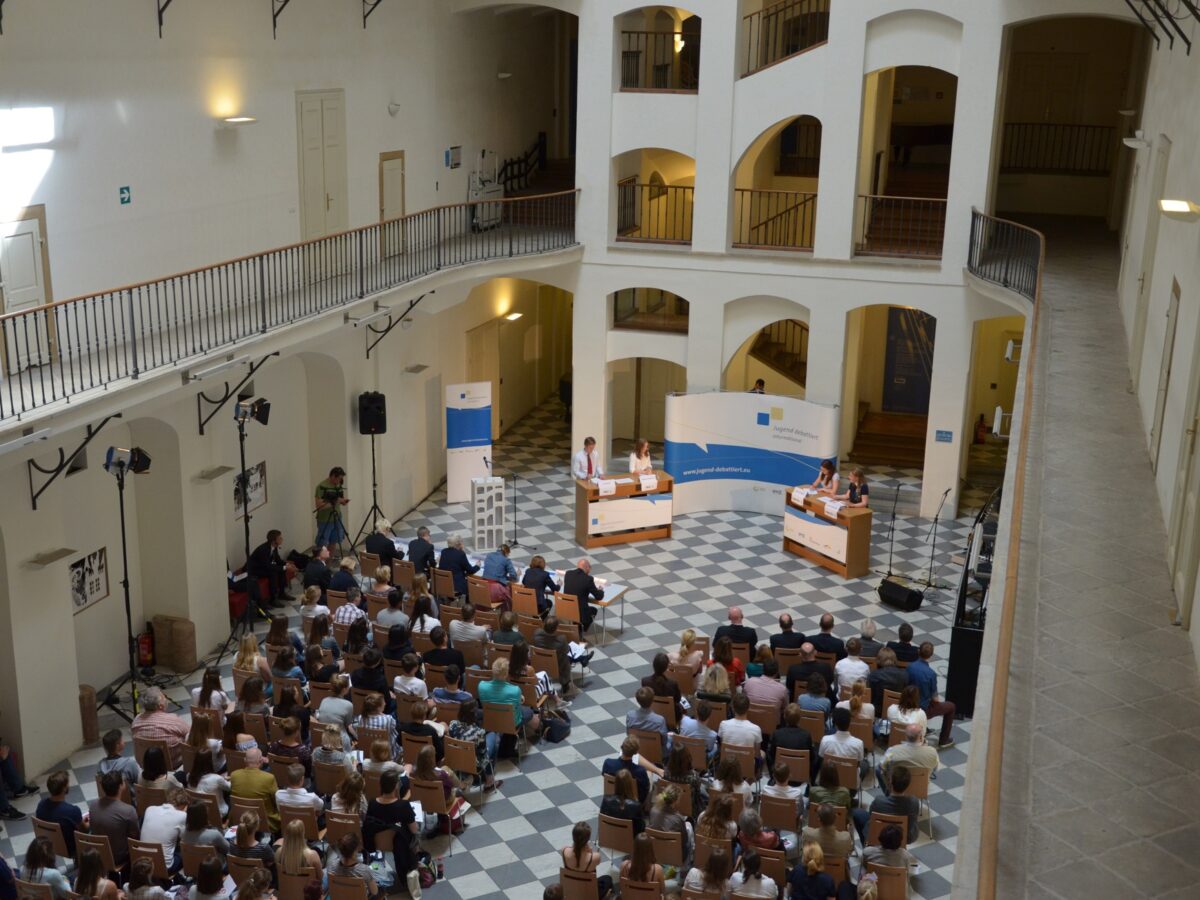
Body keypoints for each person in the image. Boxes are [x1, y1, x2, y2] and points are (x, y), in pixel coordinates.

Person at [363, 771, 420, 896]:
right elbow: (414, 830)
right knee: (416, 833)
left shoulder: (372, 804)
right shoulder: (404, 806)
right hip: (399, 845)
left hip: (377, 843)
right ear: (396, 786)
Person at [478, 658, 540, 744]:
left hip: (490, 721)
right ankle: (539, 728)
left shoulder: (481, 686)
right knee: (529, 711)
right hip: (511, 724)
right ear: (506, 673)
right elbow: (517, 707)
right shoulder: (515, 690)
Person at [909, 641, 957, 749]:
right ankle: (944, 740)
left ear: (918, 651)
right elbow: (936, 700)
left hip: (909, 703)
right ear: (931, 655)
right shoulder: (931, 674)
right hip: (922, 709)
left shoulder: (910, 667)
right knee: (951, 707)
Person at [88, 771, 139, 870]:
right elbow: (135, 837)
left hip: (97, 853)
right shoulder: (129, 810)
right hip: (118, 857)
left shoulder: (93, 805)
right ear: (121, 786)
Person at [131, 686, 190, 769]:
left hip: (147, 764)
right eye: (164, 697)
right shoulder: (173, 720)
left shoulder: (136, 720)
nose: (166, 699)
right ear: (160, 706)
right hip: (171, 763)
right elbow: (191, 732)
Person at [447, 700, 500, 792]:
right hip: (475, 765)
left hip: (456, 760)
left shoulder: (452, 724)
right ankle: (489, 781)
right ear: (474, 714)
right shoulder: (479, 732)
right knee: (493, 736)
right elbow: (483, 754)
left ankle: (466, 775)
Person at [34, 771, 85, 858]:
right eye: (68, 784)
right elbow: (83, 831)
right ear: (64, 788)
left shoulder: (41, 805)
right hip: (71, 848)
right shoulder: (73, 811)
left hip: (48, 844)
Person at [536, 615, 591, 695]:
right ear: (556, 628)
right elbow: (567, 651)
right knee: (567, 655)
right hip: (558, 666)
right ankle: (565, 683)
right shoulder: (561, 639)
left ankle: (583, 659)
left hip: (541, 663)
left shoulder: (537, 635)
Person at [229, 748, 280, 834]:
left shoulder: (234, 775)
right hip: (265, 821)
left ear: (245, 760)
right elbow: (277, 800)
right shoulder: (268, 778)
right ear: (261, 761)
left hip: (240, 818)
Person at [879, 723, 939, 793]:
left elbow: (882, 767)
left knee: (879, 769)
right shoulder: (932, 751)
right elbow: (936, 768)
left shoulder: (892, 750)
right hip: (920, 789)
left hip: (897, 788)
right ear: (921, 737)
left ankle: (888, 793)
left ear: (906, 737)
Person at [866, 767, 919, 844]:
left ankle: (868, 845)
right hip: (905, 837)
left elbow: (871, 816)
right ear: (908, 784)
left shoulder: (878, 801)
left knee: (859, 814)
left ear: (890, 782)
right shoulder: (914, 802)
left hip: (882, 833)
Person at [561, 821, 613, 899]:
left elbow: (574, 850)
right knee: (608, 878)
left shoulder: (564, 851)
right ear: (587, 839)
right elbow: (595, 861)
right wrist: (590, 851)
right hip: (589, 893)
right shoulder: (595, 857)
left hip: (572, 890)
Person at [140, 787, 188, 872]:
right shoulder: (182, 815)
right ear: (184, 805)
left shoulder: (149, 809)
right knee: (186, 852)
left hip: (142, 861)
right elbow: (185, 840)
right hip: (164, 866)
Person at [228, 811, 277, 887]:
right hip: (258, 882)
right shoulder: (263, 848)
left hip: (239, 879)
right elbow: (271, 862)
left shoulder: (231, 842)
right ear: (257, 827)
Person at [819, 707, 869, 783]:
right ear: (849, 723)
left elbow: (822, 759)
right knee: (865, 764)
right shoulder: (859, 743)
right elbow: (857, 764)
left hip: (828, 782)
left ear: (835, 724)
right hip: (850, 786)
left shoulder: (825, 740)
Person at [768, 703, 816, 780]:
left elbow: (771, 756)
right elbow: (812, 758)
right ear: (800, 718)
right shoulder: (806, 735)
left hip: (780, 776)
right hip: (801, 775)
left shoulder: (776, 734)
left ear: (784, 716)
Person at [276, 819, 325, 892]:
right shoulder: (312, 855)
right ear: (302, 834)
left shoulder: (278, 852)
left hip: (288, 891)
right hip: (309, 894)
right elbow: (320, 878)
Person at [601, 736, 650, 805]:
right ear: (636, 753)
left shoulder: (608, 763)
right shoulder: (640, 771)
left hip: (611, 799)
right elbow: (644, 791)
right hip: (633, 803)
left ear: (621, 747)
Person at [719, 691, 764, 763]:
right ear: (748, 708)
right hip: (747, 767)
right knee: (763, 753)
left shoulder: (723, 724)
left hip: (727, 764)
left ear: (733, 708)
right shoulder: (756, 729)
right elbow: (757, 755)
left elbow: (723, 745)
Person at [97, 729, 140, 802]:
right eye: (122, 740)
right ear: (118, 745)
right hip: (129, 803)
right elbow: (138, 783)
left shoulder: (100, 765)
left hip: (108, 802)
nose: (124, 742)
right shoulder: (129, 763)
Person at [247, 529, 288, 606]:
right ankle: (273, 599)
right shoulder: (263, 549)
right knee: (273, 573)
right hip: (254, 569)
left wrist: (287, 565)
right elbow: (268, 566)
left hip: (263, 567)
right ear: (273, 541)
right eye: (279, 538)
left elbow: (278, 560)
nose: (282, 539)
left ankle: (282, 593)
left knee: (281, 569)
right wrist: (284, 567)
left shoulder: (274, 547)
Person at [626, 687, 670, 758]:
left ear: (637, 700)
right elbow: (664, 741)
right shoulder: (659, 720)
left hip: (637, 750)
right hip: (656, 752)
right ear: (652, 700)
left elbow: (628, 734)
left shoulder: (630, 715)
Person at [562, 558, 604, 631]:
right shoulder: (588, 579)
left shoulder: (568, 574)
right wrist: (600, 590)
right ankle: (580, 631)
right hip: (580, 613)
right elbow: (598, 596)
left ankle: (576, 628)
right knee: (593, 610)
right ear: (587, 567)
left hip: (566, 609)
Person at [187, 749, 231, 817]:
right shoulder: (216, 779)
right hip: (219, 814)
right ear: (210, 762)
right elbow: (230, 787)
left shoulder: (189, 777)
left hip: (199, 814)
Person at [599, 768, 645, 835]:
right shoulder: (636, 806)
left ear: (616, 783)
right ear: (630, 784)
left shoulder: (606, 800)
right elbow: (641, 829)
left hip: (609, 837)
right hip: (629, 841)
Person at [355, 694, 400, 760]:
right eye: (383, 702)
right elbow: (394, 731)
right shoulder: (388, 719)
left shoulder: (360, 718)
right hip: (387, 754)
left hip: (368, 753)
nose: (385, 703)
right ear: (378, 708)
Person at [640, 652, 683, 722]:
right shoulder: (672, 684)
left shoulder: (645, 681)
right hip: (671, 716)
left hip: (652, 713)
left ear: (653, 665)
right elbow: (678, 700)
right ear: (666, 667)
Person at [314, 466, 350, 548]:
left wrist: (343, 501)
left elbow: (340, 498)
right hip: (325, 519)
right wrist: (337, 501)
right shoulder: (321, 486)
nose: (340, 481)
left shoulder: (338, 485)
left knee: (334, 541)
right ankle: (320, 561)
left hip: (337, 517)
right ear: (333, 476)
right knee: (322, 544)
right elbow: (319, 506)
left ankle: (329, 561)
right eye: (339, 478)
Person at [436, 533, 477, 597]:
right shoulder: (461, 554)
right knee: (473, 583)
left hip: (443, 583)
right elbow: (470, 570)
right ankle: (468, 604)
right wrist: (477, 566)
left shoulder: (444, 551)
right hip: (456, 586)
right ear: (459, 544)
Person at [868, 648, 909, 712]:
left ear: (879, 659)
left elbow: (870, 694)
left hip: (878, 710)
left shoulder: (874, 675)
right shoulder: (905, 675)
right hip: (898, 710)